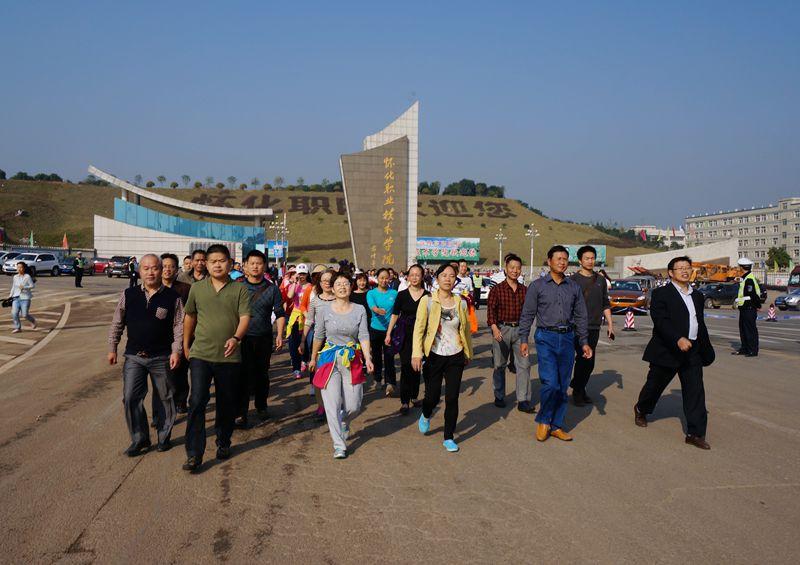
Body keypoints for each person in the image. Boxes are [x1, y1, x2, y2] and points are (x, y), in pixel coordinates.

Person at [181, 244, 251, 473]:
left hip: (229, 356)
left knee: (226, 402)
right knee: (197, 401)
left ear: (229, 264)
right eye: (213, 261)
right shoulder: (197, 288)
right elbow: (190, 317)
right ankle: (194, 453)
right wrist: (186, 344)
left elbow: (245, 317)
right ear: (206, 264)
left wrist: (236, 338)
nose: (217, 265)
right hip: (201, 353)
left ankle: (223, 441)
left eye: (222, 261)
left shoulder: (240, 289)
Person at [634, 256, 715, 450]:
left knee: (695, 392)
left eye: (687, 267)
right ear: (671, 273)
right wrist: (677, 338)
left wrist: (705, 348)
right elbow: (660, 320)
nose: (685, 271)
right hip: (667, 349)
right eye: (680, 268)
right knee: (654, 386)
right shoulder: (661, 293)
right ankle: (642, 408)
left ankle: (695, 434)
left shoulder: (697, 296)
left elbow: (699, 323)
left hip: (692, 351)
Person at [108, 254, 184, 455]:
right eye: (146, 268)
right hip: (134, 356)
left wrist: (176, 351)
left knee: (165, 397)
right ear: (139, 271)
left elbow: (179, 326)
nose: (151, 272)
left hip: (162, 357)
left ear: (161, 270)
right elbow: (117, 322)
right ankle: (139, 438)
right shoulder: (129, 294)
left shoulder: (172, 297)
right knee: (130, 397)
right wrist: (112, 347)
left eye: (155, 268)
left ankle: (163, 436)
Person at [519, 245, 591, 443]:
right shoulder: (537, 286)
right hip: (545, 338)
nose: (562, 262)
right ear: (549, 261)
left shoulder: (573, 287)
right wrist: (524, 339)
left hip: (567, 338)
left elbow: (581, 316)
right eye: (558, 258)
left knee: (562, 386)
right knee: (550, 383)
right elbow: (527, 314)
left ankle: (556, 425)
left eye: (565, 259)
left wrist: (584, 341)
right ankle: (544, 420)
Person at [309, 272, 374, 458]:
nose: (342, 286)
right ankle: (339, 445)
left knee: (354, 405)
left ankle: (344, 421)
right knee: (332, 404)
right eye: (338, 284)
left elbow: (363, 335)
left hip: (351, 358)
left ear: (351, 287)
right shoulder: (324, 310)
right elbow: (319, 335)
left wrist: (368, 358)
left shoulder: (359, 309)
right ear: (332, 288)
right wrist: (313, 358)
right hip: (329, 358)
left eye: (346, 283)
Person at [412, 263, 473, 453]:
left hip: (455, 355)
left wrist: (468, 352)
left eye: (452, 276)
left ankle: (448, 436)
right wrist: (416, 353)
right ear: (437, 278)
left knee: (452, 397)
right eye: (444, 275)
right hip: (434, 355)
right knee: (432, 396)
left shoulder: (461, 302)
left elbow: (465, 330)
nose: (448, 278)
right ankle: (426, 413)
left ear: (456, 280)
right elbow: (419, 328)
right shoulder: (428, 301)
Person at [235, 250, 286, 427]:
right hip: (241, 338)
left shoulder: (272, 289)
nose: (255, 266)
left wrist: (280, 334)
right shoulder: (238, 286)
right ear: (245, 266)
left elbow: (280, 313)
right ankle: (240, 412)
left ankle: (261, 406)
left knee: (262, 374)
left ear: (264, 266)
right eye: (252, 263)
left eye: (259, 263)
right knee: (242, 375)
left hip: (263, 337)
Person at [486, 253, 533, 412]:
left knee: (524, 365)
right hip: (501, 330)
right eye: (512, 267)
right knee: (499, 365)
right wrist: (494, 328)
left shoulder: (525, 291)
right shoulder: (497, 290)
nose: (515, 270)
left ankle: (523, 399)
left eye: (518, 268)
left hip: (520, 331)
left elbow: (528, 313)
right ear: (506, 269)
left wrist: (526, 332)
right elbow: (491, 311)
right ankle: (499, 395)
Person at [570, 245, 614, 406]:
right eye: (587, 258)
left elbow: (605, 303)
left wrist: (610, 324)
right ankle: (578, 392)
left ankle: (579, 387)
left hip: (594, 326)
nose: (590, 261)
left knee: (589, 362)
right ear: (580, 261)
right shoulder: (573, 280)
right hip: (577, 326)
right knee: (583, 359)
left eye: (592, 258)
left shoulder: (600, 280)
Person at [385, 264, 429, 414]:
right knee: (405, 366)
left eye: (418, 275)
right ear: (408, 277)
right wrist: (389, 333)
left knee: (417, 366)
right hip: (404, 334)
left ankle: (414, 397)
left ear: (422, 277)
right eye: (412, 275)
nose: (415, 277)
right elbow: (395, 315)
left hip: (421, 335)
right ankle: (404, 401)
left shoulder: (428, 295)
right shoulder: (402, 295)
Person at [300, 267, 335, 420]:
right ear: (319, 283)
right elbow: (309, 321)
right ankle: (321, 406)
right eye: (324, 280)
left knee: (334, 376)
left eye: (330, 280)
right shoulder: (315, 301)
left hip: (337, 342)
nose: (327, 283)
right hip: (319, 341)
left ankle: (335, 405)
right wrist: (302, 341)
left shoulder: (341, 299)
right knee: (319, 375)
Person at [159, 253, 192, 414]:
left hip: (182, 335)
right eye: (164, 266)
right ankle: (164, 406)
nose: (167, 269)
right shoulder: (154, 288)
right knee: (163, 374)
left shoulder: (185, 289)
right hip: (161, 337)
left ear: (176, 269)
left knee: (180, 371)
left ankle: (181, 400)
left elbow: (191, 314)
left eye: (171, 266)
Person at [366, 268, 398, 396]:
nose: (384, 280)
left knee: (389, 357)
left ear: (390, 279)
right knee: (377, 356)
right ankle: (378, 379)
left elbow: (397, 311)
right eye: (381, 278)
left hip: (390, 330)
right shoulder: (371, 293)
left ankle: (390, 383)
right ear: (377, 278)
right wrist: (377, 310)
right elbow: (372, 306)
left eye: (386, 278)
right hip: (375, 329)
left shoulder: (394, 293)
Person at [285, 264, 311, 378]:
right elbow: (289, 296)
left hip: (307, 316)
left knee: (306, 342)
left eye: (303, 274)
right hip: (295, 317)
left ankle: (304, 360)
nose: (301, 276)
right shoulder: (294, 285)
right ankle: (296, 368)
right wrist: (295, 283)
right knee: (293, 342)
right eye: (300, 274)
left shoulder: (311, 287)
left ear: (307, 274)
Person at [733, 257, 761, 357]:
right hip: (744, 308)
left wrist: (757, 305)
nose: (738, 269)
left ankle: (752, 350)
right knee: (743, 330)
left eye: (739, 267)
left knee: (750, 330)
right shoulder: (745, 278)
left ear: (742, 268)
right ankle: (744, 348)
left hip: (749, 308)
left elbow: (752, 294)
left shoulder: (749, 279)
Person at [9, 262, 36, 333]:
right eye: (18, 267)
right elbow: (13, 286)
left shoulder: (27, 277)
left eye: (21, 267)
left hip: (25, 298)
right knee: (14, 313)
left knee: (24, 315)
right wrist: (10, 295)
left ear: (24, 268)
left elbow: (32, 286)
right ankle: (18, 328)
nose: (19, 269)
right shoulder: (15, 277)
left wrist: (24, 287)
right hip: (16, 298)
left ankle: (33, 321)